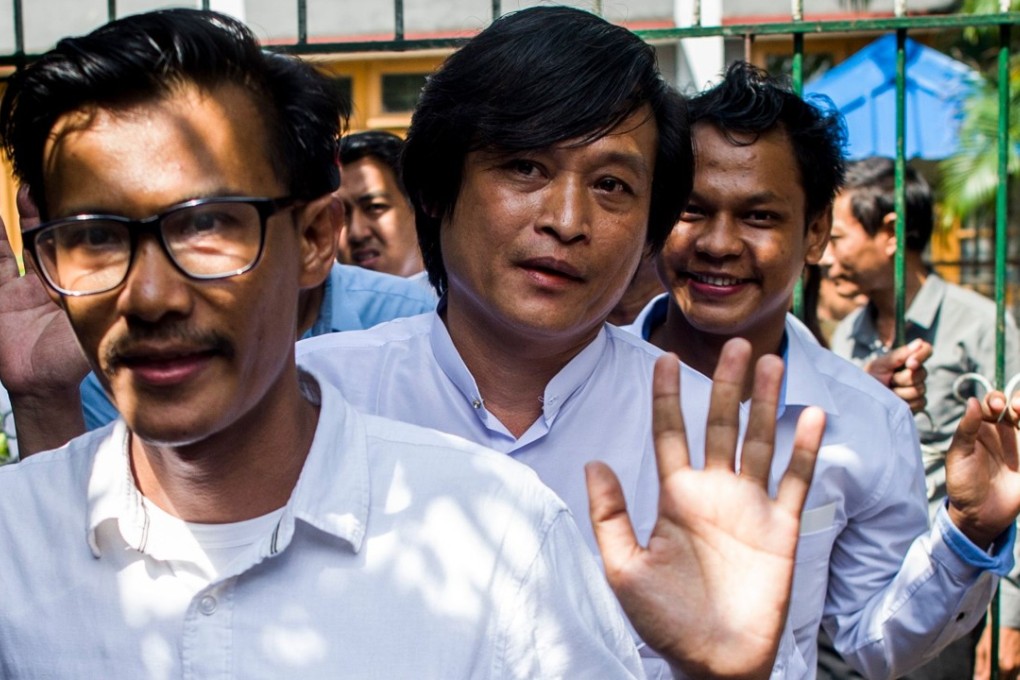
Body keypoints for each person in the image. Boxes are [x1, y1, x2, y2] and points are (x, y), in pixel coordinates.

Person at [0, 8, 837, 680]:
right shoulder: (290, 401)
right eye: (524, 168)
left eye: (613, 185)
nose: (566, 220)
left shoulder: (723, 456)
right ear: (435, 186)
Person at [624, 61, 1020, 679]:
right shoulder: (570, 381)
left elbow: (873, 641)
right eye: (692, 210)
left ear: (815, 235)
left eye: (759, 216)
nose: (718, 243)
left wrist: (968, 530)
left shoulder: (867, 421)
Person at [824, 156, 1020, 679]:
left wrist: (1011, 610)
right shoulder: (849, 335)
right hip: (852, 593)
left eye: (837, 237)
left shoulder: (981, 326)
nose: (824, 255)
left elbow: (1013, 471)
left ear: (891, 233)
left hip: (944, 589)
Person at [336, 130, 427, 280]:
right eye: (341, 214)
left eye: (374, 207)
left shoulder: (462, 292)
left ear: (419, 208)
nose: (357, 233)